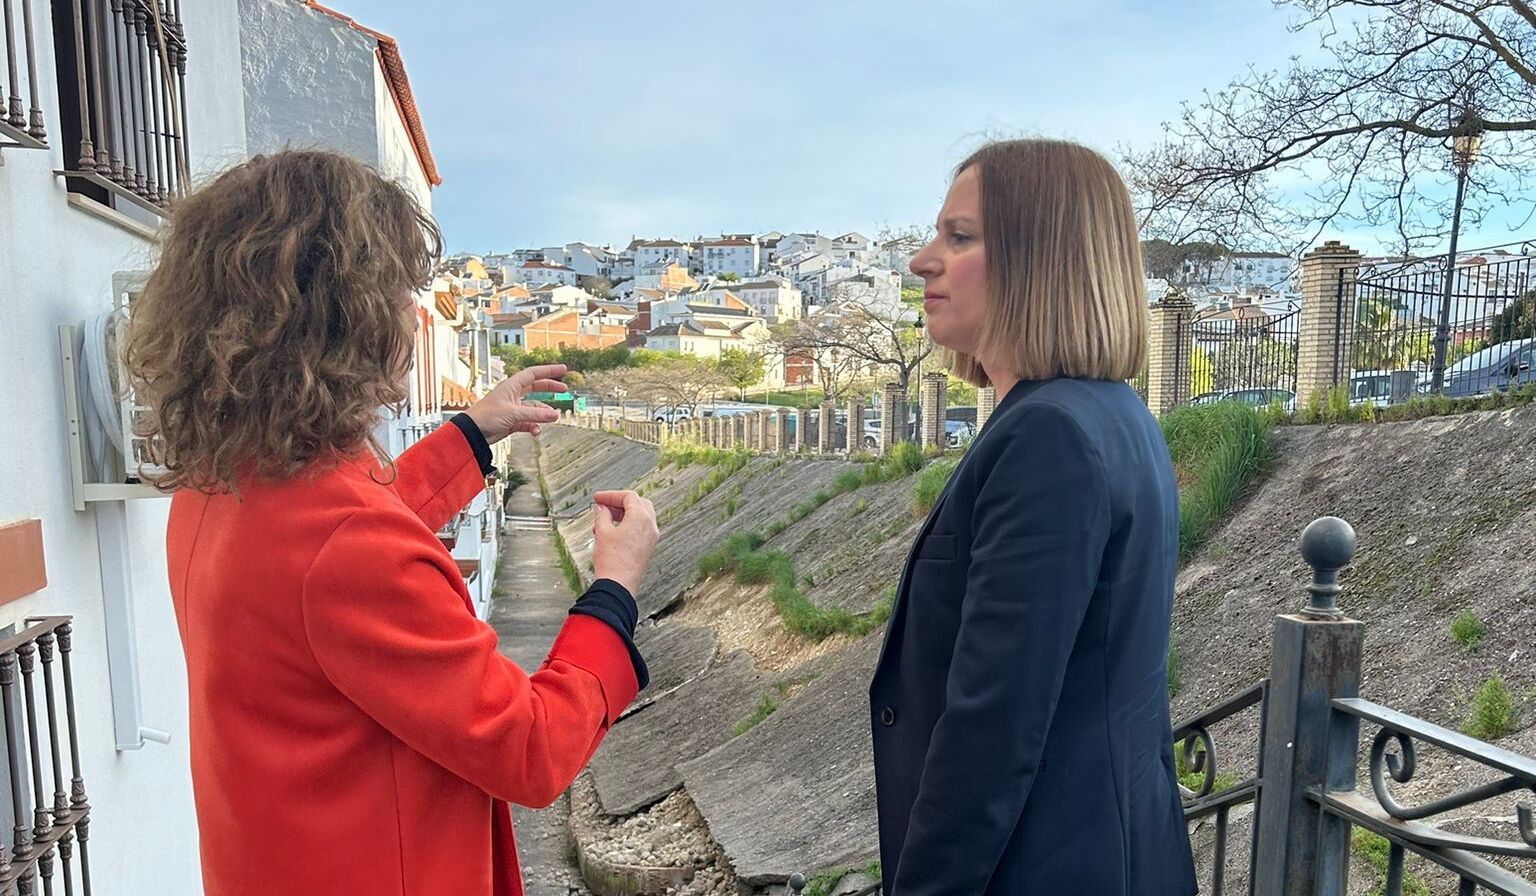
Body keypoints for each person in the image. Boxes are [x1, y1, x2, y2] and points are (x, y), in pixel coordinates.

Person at [123, 149, 657, 896]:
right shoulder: (344, 546)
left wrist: (473, 432)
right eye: (396, 290)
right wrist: (614, 591)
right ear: (346, 317)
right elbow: (531, 749)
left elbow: (341, 548)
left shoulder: (217, 484)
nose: (412, 312)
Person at [869, 139, 1197, 895]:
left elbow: (991, 731)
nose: (923, 260)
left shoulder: (1048, 436)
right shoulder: (1115, 416)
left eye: (959, 237)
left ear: (1038, 257)